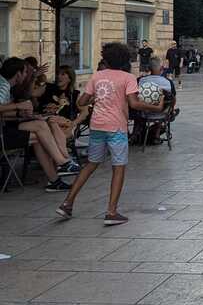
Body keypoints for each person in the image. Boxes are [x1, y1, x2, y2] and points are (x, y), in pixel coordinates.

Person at [56, 42, 161, 225]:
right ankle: (111, 212)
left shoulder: (97, 76)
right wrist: (156, 106)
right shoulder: (127, 78)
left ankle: (67, 203)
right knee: (118, 167)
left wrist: (96, 99)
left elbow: (82, 101)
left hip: (97, 126)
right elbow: (134, 103)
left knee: (90, 165)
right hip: (116, 128)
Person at [0, 57, 78, 192]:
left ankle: (55, 180)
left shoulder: (7, 85)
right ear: (18, 73)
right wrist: (19, 106)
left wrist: (20, 114)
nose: (26, 76)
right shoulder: (3, 85)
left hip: (6, 129)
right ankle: (62, 162)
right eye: (25, 73)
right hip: (3, 134)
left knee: (41, 132)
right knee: (41, 126)